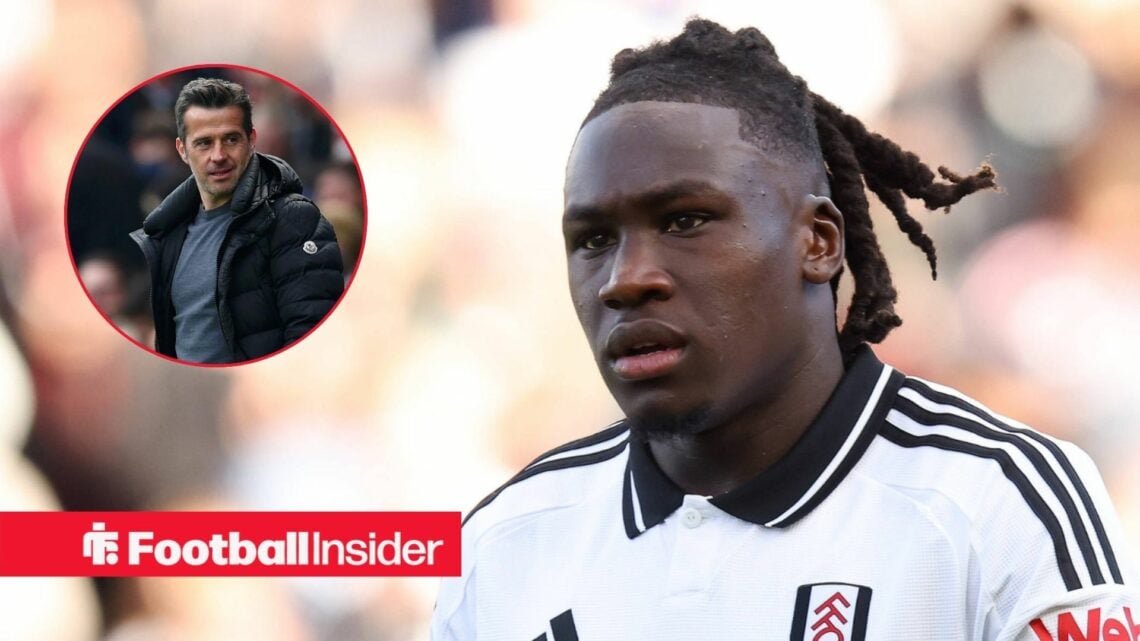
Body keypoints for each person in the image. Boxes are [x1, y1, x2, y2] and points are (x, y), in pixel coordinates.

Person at [431, 19, 1137, 640]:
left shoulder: (1000, 499)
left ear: (819, 242)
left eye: (685, 220)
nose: (625, 277)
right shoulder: (503, 544)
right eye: (591, 239)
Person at [130, 77, 344, 364]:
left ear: (251, 140)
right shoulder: (168, 229)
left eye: (230, 139)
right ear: (182, 150)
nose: (218, 156)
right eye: (204, 143)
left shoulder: (293, 219)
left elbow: (311, 339)